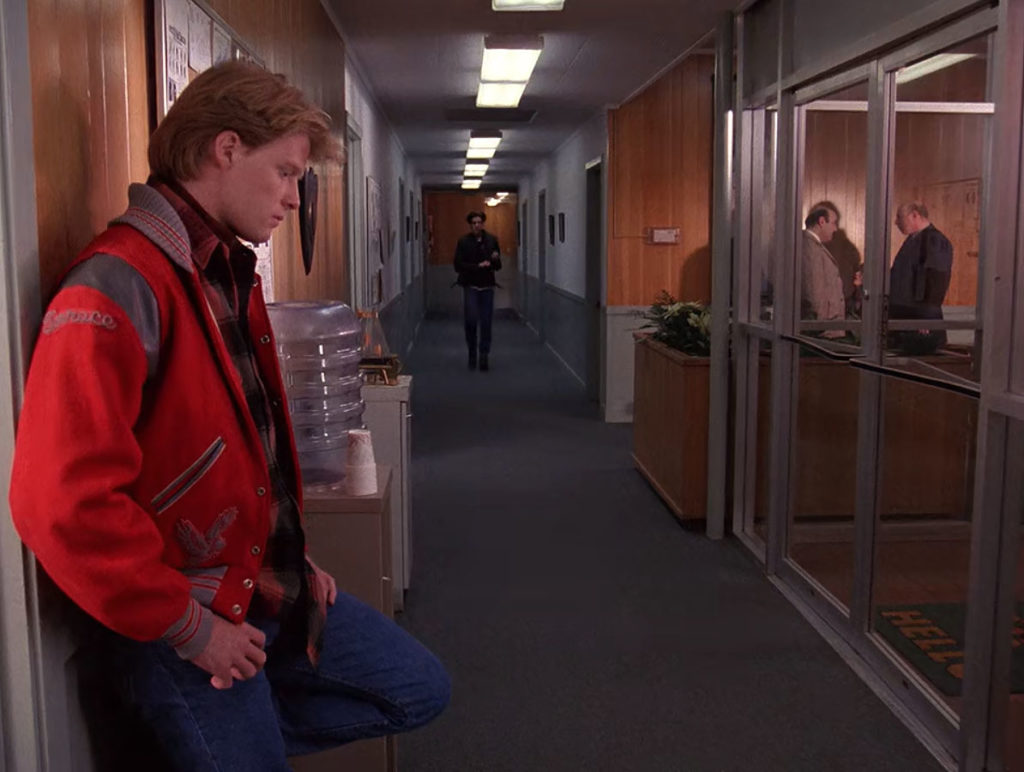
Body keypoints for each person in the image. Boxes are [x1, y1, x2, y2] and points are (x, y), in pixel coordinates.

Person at [8, 61, 448, 770]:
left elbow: (242, 447)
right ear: (226, 148)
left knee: (418, 687)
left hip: (262, 590)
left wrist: (288, 556)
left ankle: (204, 742)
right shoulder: (119, 282)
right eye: (285, 173)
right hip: (184, 619)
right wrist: (187, 627)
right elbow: (60, 501)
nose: (294, 200)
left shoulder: (225, 271)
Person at [889, 201, 953, 355]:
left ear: (915, 215)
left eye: (899, 217)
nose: (896, 222)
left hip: (920, 321)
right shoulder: (914, 239)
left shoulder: (934, 241)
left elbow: (936, 281)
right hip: (906, 317)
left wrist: (925, 319)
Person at [454, 210, 501, 370]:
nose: (476, 225)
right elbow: (457, 265)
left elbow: (498, 266)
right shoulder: (463, 242)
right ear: (470, 225)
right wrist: (477, 266)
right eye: (473, 223)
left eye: (479, 222)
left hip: (487, 286)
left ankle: (484, 355)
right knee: (471, 320)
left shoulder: (492, 240)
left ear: (483, 223)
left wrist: (494, 260)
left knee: (486, 322)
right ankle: (472, 352)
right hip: (471, 286)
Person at [800, 202, 846, 338]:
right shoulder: (810, 247)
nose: (836, 229)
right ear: (821, 221)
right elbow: (814, 290)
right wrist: (819, 327)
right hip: (824, 330)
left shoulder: (813, 245)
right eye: (833, 223)